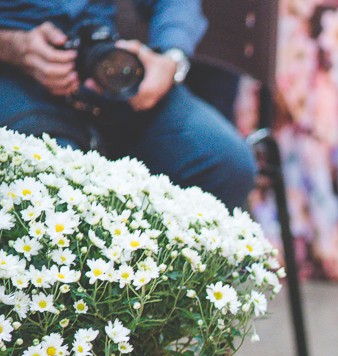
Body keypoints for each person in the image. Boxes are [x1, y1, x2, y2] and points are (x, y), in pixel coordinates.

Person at [0, 0, 256, 210]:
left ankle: (160, 267)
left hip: (105, 68)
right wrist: (12, 47)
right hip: (13, 76)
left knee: (225, 163)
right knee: (59, 189)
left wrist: (170, 59)